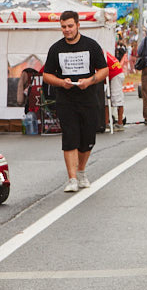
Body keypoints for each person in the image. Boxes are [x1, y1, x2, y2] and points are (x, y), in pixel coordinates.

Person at [42, 10, 109, 193]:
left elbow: (104, 70)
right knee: (70, 138)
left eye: (70, 26)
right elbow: (46, 75)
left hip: (88, 99)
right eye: (63, 27)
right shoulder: (56, 49)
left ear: (78, 25)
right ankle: (71, 178)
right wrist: (61, 83)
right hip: (66, 100)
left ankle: (81, 171)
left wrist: (90, 81)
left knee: (87, 139)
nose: (67, 30)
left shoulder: (91, 45)